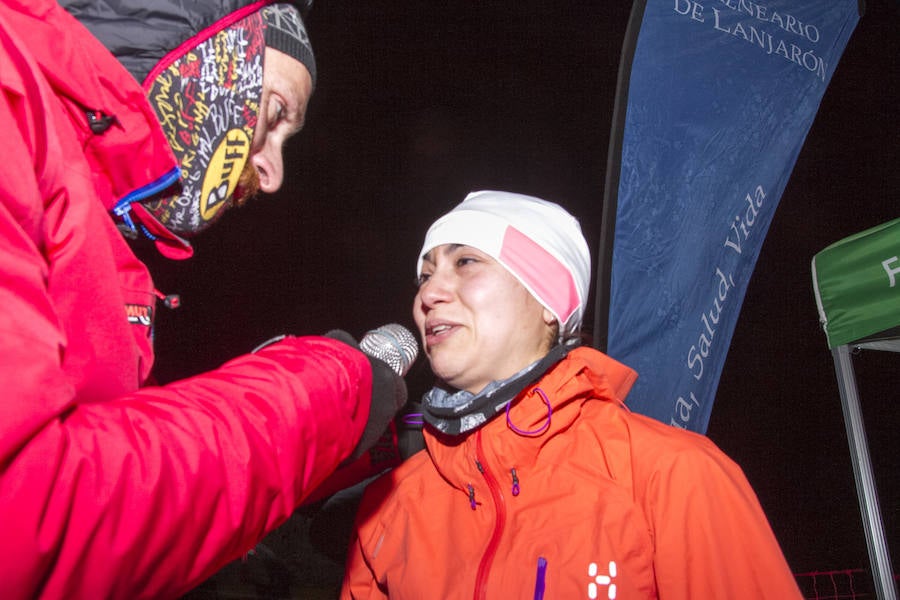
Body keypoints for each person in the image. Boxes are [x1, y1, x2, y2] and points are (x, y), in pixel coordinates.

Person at [0, 1, 406, 598]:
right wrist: (330, 390)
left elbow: (114, 444)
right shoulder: (11, 108)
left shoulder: (93, 223)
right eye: (273, 115)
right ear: (211, 56)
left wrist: (326, 460)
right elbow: (35, 514)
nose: (272, 174)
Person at [341, 190, 803, 599]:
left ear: (549, 299)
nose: (430, 293)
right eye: (425, 276)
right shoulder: (389, 508)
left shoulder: (672, 476)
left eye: (465, 262)